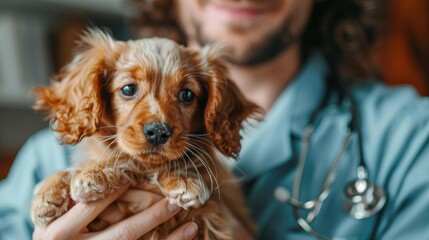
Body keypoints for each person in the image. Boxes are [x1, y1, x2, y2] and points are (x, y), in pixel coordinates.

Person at [2, 0, 429, 239]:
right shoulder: (45, 159)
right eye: (129, 90)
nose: (157, 120)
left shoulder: (409, 138)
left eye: (186, 96)